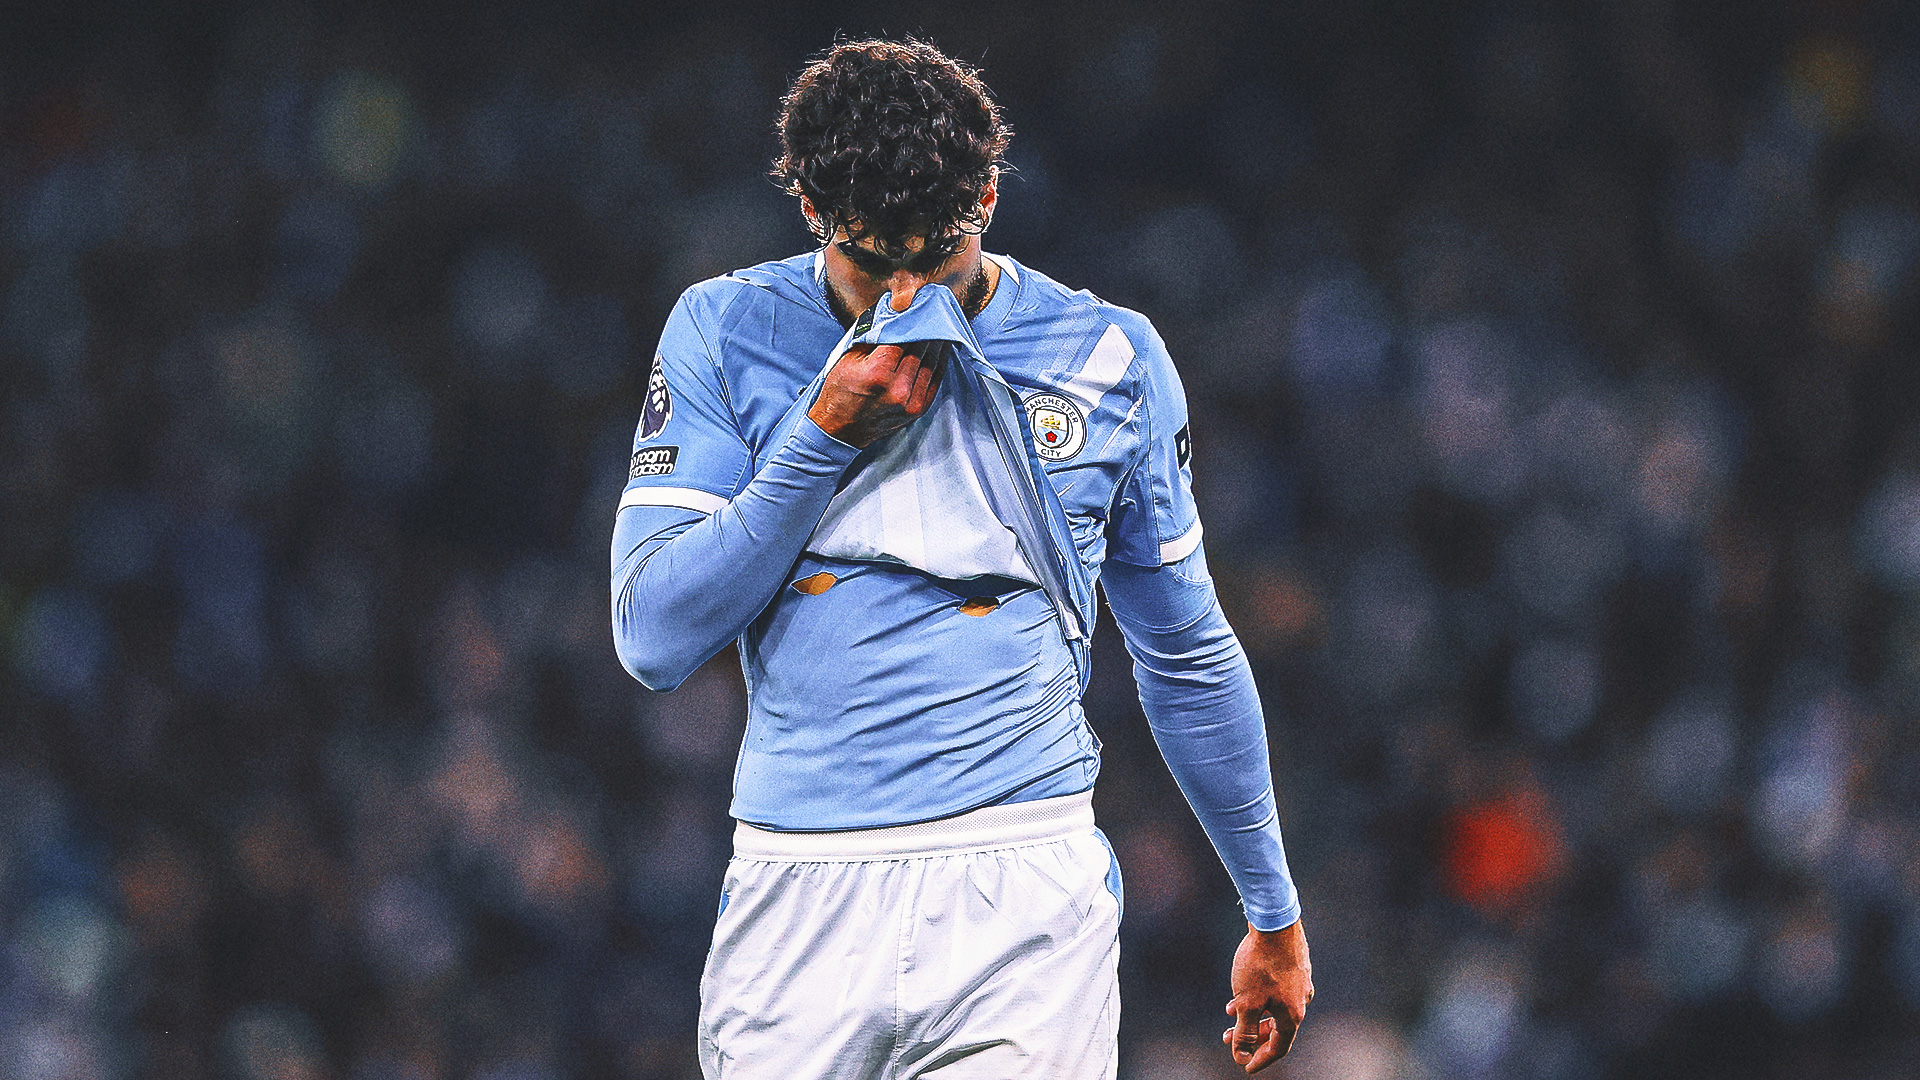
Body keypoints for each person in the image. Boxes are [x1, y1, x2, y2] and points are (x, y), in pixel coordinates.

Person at [610, 38, 1311, 1079]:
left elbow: (1186, 652)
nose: (907, 301)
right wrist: (818, 438)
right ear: (810, 209)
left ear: (987, 198)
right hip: (798, 892)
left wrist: (1272, 909)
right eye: (870, 262)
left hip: (1021, 895)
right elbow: (653, 634)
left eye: (935, 258)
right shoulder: (724, 330)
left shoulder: (1105, 358)